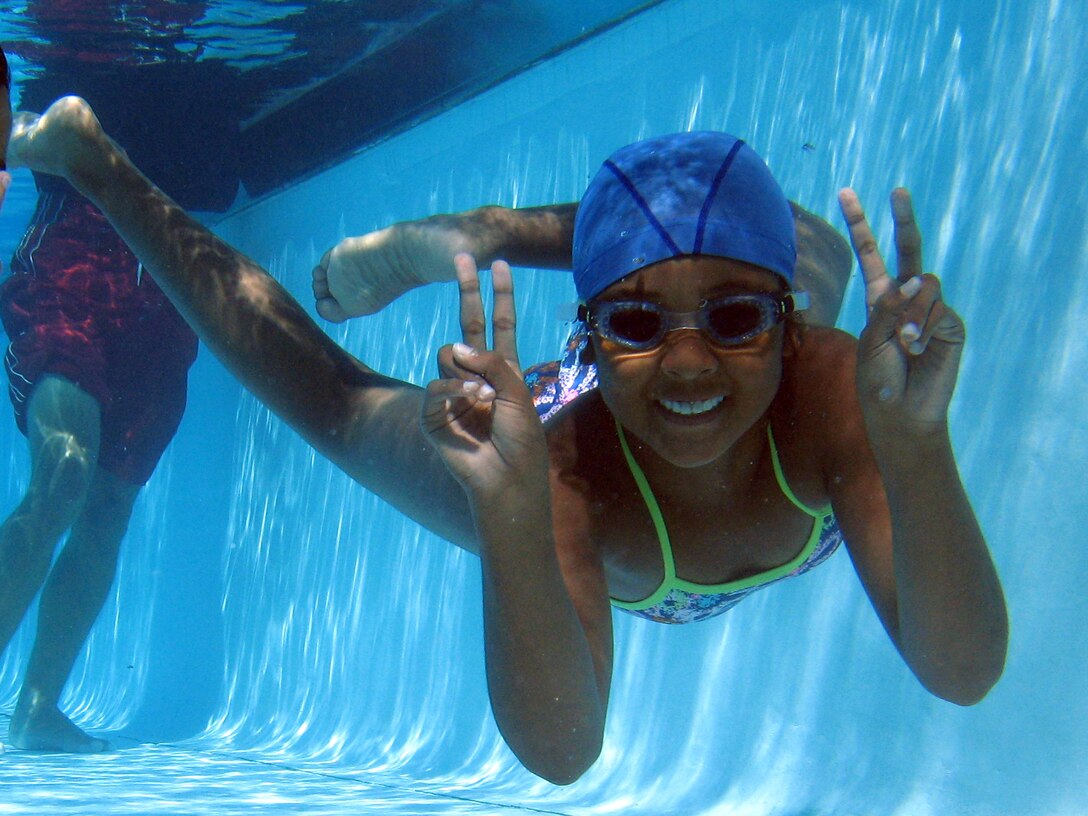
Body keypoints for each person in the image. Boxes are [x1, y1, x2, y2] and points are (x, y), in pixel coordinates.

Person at [8, 96, 1008, 783]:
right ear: (585, 338)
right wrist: (508, 505)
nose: (691, 364)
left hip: (764, 345)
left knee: (784, 238)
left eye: (741, 321)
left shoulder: (838, 388)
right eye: (632, 325)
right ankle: (96, 163)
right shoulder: (558, 466)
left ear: (784, 329)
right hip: (557, 431)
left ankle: (487, 232)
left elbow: (960, 668)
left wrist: (915, 445)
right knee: (328, 397)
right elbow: (564, 749)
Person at [0, 52, 199, 752]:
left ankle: (35, 708)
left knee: (108, 512)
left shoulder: (193, 67)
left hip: (164, 284)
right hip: (70, 261)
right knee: (61, 478)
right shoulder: (74, 42)